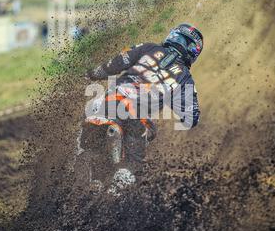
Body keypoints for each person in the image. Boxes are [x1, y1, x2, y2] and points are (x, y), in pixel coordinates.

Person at [82, 24, 203, 191]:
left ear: (173, 36)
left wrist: (91, 73)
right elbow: (191, 118)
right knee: (135, 164)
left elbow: (115, 63)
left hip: (107, 100)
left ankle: (87, 159)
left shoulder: (148, 47)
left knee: (90, 114)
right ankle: (115, 189)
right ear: (193, 52)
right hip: (135, 115)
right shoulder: (184, 78)